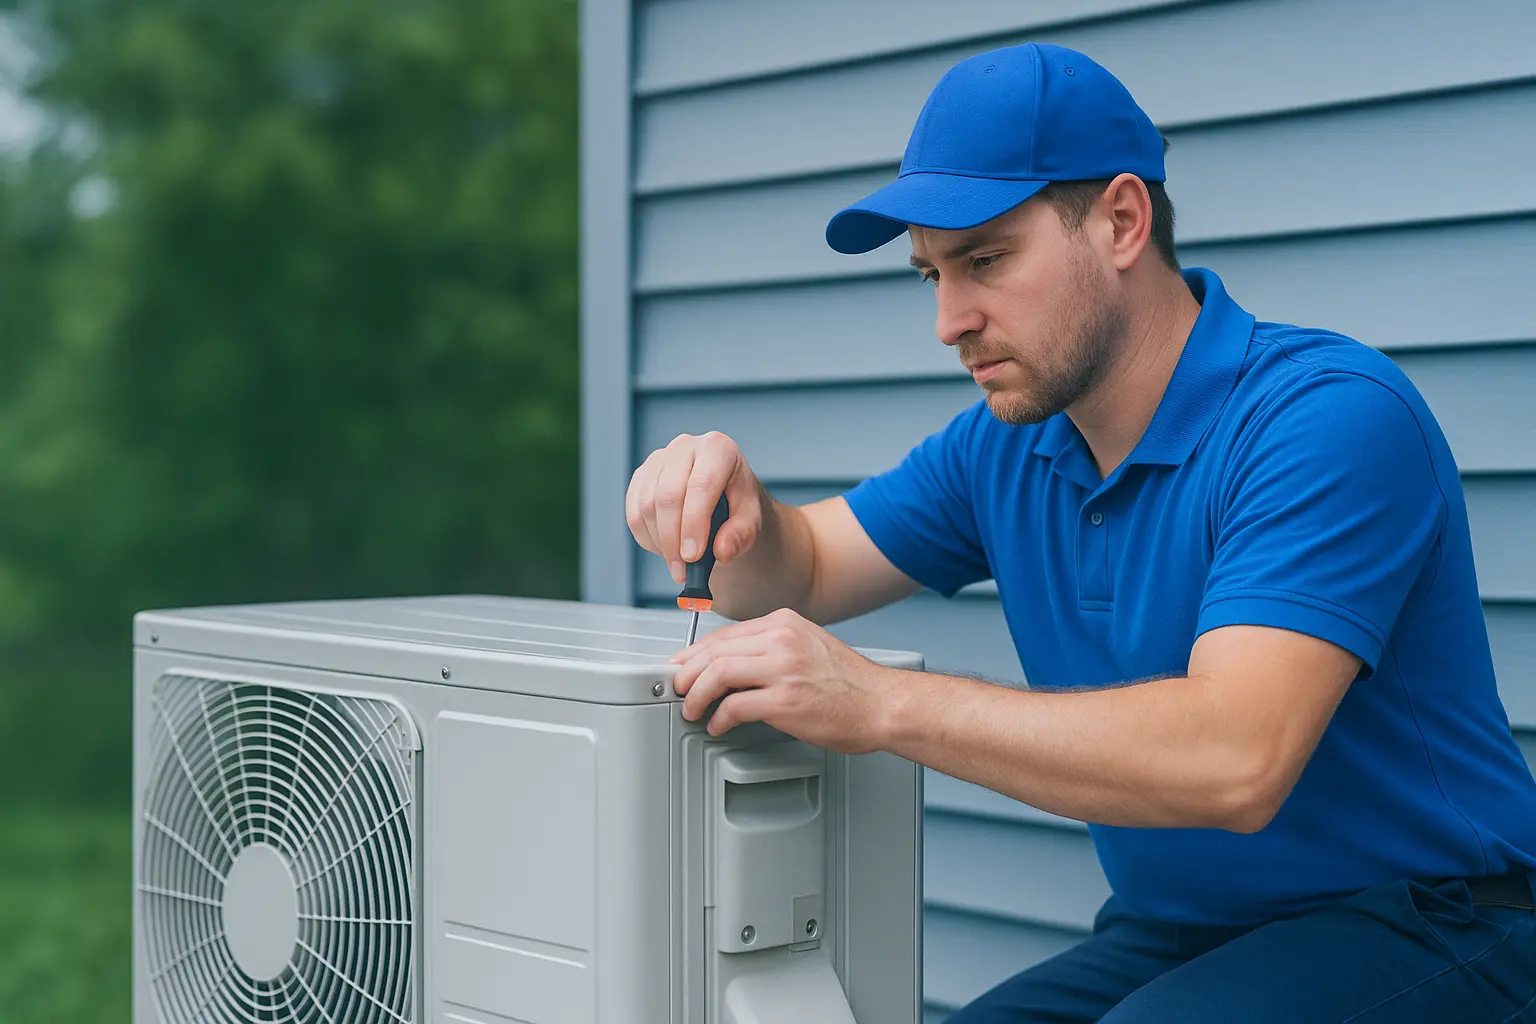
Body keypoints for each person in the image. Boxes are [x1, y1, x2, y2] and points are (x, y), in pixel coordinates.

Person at [623, 42, 1536, 1023]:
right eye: (927, 274)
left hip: (1437, 925)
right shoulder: (1006, 449)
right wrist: (738, 513)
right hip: (1181, 930)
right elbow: (801, 564)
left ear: (1122, 220)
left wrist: (882, 702)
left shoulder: (1326, 418)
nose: (948, 320)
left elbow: (1238, 756)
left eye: (983, 259)